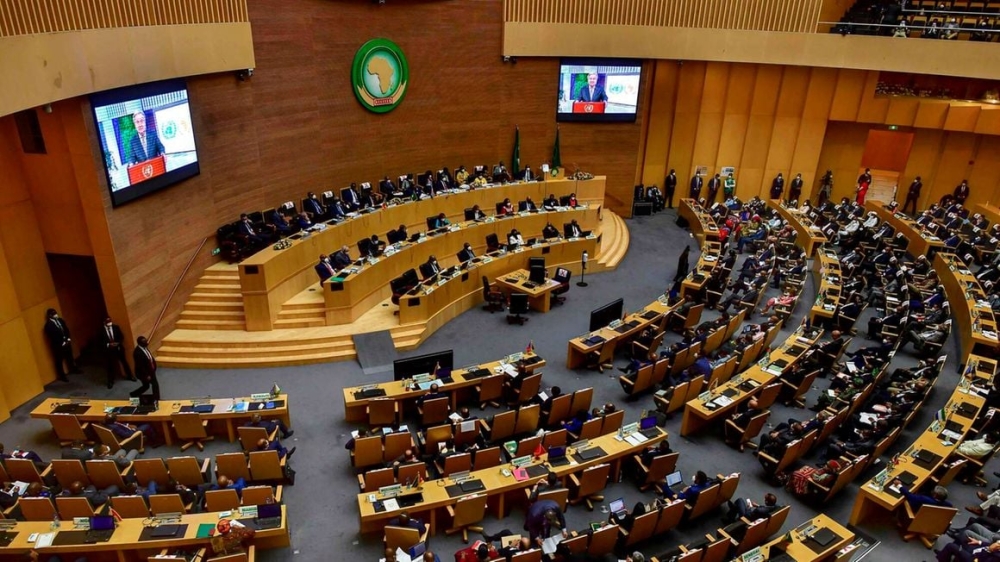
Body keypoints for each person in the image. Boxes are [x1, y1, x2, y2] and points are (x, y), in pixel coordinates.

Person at [44, 308, 80, 381]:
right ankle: (62, 375)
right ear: (49, 315)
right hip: (58, 346)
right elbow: (52, 336)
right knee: (59, 360)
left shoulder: (60, 320)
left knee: (69, 356)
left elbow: (66, 329)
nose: (55, 315)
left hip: (66, 342)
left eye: (55, 313)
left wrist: (68, 338)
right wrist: (61, 342)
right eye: (53, 314)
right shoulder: (48, 325)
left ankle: (73, 368)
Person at [98, 316, 134, 389]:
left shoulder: (116, 327)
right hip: (109, 351)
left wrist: (117, 343)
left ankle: (130, 376)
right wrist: (108, 344)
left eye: (110, 321)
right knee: (110, 366)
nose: (109, 323)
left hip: (118, 349)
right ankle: (110, 381)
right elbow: (99, 341)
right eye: (108, 321)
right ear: (104, 322)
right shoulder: (101, 331)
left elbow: (121, 337)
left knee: (124, 362)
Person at [130, 336, 160, 401]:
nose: (147, 342)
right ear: (140, 343)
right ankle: (156, 399)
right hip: (144, 373)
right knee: (153, 385)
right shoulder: (137, 352)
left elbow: (150, 357)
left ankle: (133, 394)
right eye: (144, 341)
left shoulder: (145, 348)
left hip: (150, 371)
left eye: (146, 340)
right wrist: (147, 375)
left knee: (147, 386)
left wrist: (154, 366)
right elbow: (140, 366)